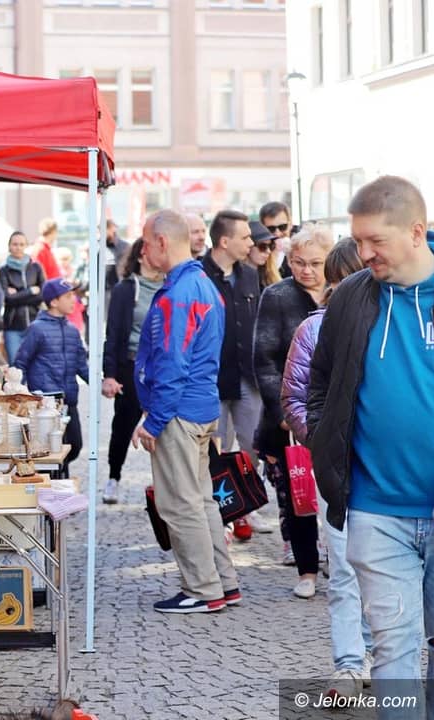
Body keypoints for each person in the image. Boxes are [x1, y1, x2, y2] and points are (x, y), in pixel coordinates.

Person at [307, 176, 434, 713]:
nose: (363, 254)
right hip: (374, 510)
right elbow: (320, 382)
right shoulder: (351, 298)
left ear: (416, 232)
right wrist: (324, 444)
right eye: (357, 240)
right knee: (393, 647)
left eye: (375, 241)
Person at [131, 209, 238, 613]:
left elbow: (172, 362)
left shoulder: (180, 293)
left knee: (180, 504)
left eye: (146, 243)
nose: (142, 251)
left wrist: (154, 420)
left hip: (179, 412)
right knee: (201, 500)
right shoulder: (202, 284)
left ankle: (203, 589)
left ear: (162, 242)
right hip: (198, 406)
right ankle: (222, 583)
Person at [281, 237, 372, 698]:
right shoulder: (314, 329)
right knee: (344, 567)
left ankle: (375, 653)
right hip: (337, 468)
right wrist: (321, 440)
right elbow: (294, 398)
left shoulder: (395, 324)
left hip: (387, 468)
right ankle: (350, 663)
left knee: (386, 570)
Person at [254, 223, 333, 597]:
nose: (306, 270)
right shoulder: (278, 296)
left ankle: (339, 561)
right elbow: (264, 360)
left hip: (334, 412)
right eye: (299, 262)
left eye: (315, 263)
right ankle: (307, 569)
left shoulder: (344, 291)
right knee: (298, 492)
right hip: (290, 415)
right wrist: (283, 411)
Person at [100, 238, 162, 504]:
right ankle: (113, 477)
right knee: (124, 424)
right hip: (132, 365)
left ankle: (163, 482)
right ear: (140, 255)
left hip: (162, 367)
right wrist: (109, 374)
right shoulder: (126, 289)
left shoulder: (171, 286)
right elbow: (113, 333)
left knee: (165, 426)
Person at [201, 210, 262, 465]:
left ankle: (250, 488)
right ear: (225, 241)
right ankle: (217, 491)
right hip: (212, 379)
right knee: (215, 450)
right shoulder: (199, 276)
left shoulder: (250, 275)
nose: (251, 243)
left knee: (254, 446)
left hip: (247, 376)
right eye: (245, 237)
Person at [12, 278, 89, 477]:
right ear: (54, 302)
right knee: (50, 451)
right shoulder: (37, 329)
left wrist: (100, 383)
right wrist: (19, 394)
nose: (73, 300)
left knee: (74, 445)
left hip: (69, 400)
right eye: (68, 296)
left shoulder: (72, 330)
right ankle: (53, 484)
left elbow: (81, 364)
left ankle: (60, 476)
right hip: (45, 404)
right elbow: (21, 362)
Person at [0, 230, 46, 363]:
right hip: (12, 327)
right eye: (15, 244)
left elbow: (43, 295)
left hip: (35, 324)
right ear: (9, 246)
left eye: (21, 244)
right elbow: (7, 298)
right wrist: (30, 291)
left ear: (26, 246)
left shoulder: (36, 268)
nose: (18, 247)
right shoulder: (4, 271)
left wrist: (17, 295)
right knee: (15, 366)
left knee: (36, 364)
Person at [54, 247, 85, 333]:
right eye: (62, 259)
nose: (65, 262)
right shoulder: (56, 271)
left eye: (67, 259)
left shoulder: (73, 270)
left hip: (74, 301)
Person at [259, 201, 294, 278]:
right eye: (271, 229)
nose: (277, 233)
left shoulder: (303, 245)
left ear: (290, 224)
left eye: (282, 227)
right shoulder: (258, 250)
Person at [246, 221, 282, 292]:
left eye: (271, 246)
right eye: (262, 246)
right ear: (249, 247)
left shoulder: (270, 275)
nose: (268, 251)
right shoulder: (237, 277)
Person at [104, 219, 131, 300]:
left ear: (111, 229)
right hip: (102, 290)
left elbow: (129, 268)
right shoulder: (98, 246)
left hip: (119, 290)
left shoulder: (125, 247)